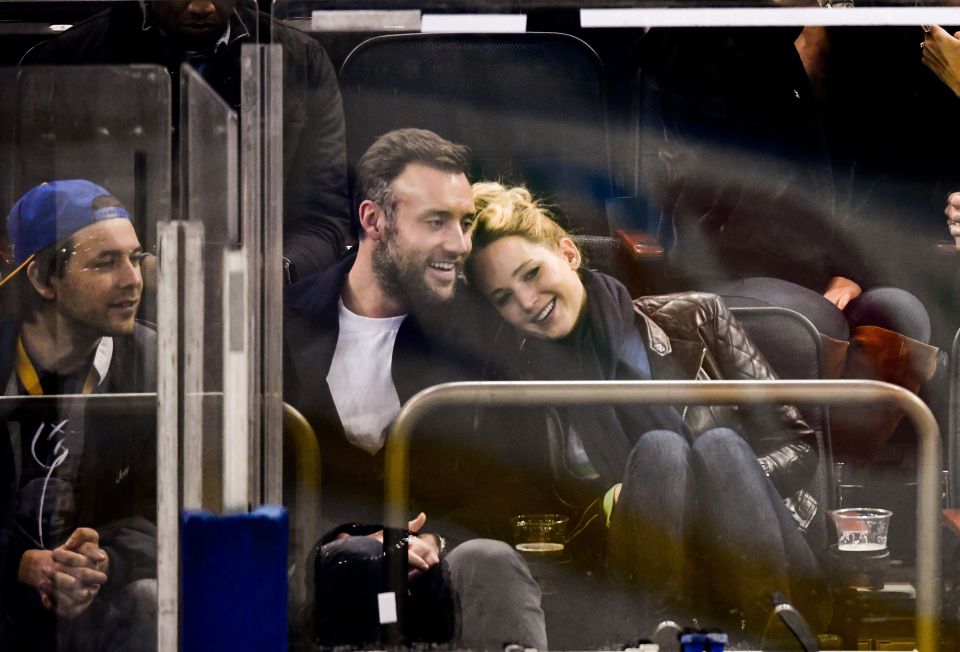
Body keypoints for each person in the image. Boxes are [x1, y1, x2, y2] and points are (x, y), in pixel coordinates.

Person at [465, 182, 829, 643]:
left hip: (764, 556)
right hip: (629, 572)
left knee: (719, 447)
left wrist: (722, 484)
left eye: (532, 272)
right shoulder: (519, 385)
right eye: (503, 297)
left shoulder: (699, 318)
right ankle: (667, 627)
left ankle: (774, 624)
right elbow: (535, 518)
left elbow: (800, 445)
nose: (527, 301)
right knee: (660, 451)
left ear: (569, 254)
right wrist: (611, 504)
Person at [284, 130, 546, 650]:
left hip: (439, 564)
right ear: (372, 220)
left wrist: (431, 538)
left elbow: (513, 486)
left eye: (464, 222)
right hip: (316, 569)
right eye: (436, 222)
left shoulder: (487, 332)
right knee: (356, 564)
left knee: (491, 560)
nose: (459, 243)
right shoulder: (278, 321)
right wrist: (347, 538)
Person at [20, 0, 350, 281]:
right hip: (108, 307)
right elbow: (36, 215)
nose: (202, 7)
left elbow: (323, 217)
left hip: (265, 309)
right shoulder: (64, 65)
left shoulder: (301, 61)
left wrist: (274, 272)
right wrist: (129, 267)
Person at [0, 180, 157, 651]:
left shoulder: (153, 362)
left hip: (98, 600)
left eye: (134, 257)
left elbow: (168, 513)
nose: (133, 279)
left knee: (150, 599)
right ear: (43, 279)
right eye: (106, 262)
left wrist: (104, 560)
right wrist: (22, 563)